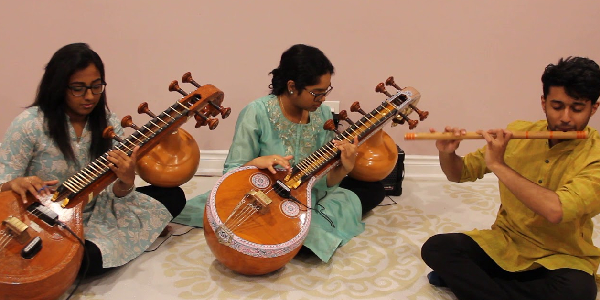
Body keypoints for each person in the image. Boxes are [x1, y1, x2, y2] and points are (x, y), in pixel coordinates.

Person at [174, 44, 385, 262]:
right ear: (292, 86)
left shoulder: (322, 115)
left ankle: (293, 238)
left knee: (375, 189)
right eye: (317, 93)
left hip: (303, 198)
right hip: (259, 195)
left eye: (326, 92)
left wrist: (344, 169)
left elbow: (321, 183)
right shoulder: (256, 113)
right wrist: (257, 161)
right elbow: (231, 172)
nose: (322, 100)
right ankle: (291, 240)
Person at [420, 56, 600, 300]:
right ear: (543, 102)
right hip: (506, 243)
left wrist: (498, 164)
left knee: (579, 292)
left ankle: (475, 284)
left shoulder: (596, 155)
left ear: (593, 108)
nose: (566, 118)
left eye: (577, 108)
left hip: (562, 256)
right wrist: (447, 152)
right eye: (557, 106)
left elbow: (555, 211)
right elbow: (458, 173)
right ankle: (497, 285)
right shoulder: (518, 132)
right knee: (437, 248)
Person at [0, 43, 186, 277]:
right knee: (84, 261)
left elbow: (117, 192)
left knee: (174, 195)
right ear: (58, 87)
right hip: (41, 219)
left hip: (99, 209)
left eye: (96, 87)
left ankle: (77, 257)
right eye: (78, 88)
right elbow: (3, 180)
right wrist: (13, 184)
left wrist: (126, 181)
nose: (89, 96)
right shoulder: (29, 125)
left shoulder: (108, 122)